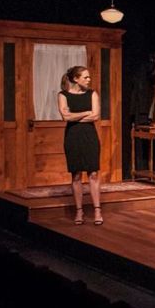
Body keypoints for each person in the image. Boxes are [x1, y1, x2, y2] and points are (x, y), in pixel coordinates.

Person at [57, 66, 102, 225]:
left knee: (93, 173)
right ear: (76, 79)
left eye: (89, 77)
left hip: (90, 136)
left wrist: (74, 116)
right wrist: (85, 112)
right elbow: (65, 117)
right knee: (76, 174)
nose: (89, 80)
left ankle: (97, 210)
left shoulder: (92, 94)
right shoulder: (63, 95)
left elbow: (95, 116)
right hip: (73, 136)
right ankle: (79, 212)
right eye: (86, 77)